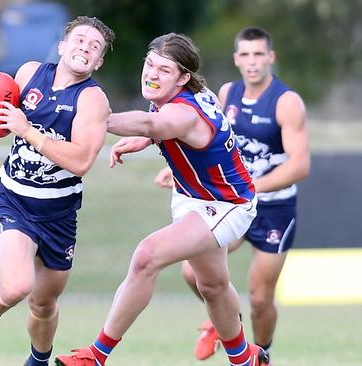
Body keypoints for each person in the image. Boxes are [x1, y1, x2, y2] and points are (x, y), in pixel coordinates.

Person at [55, 33, 269, 366]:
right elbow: (157, 124)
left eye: (164, 70)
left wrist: (88, 117)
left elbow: (153, 122)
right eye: (150, 64)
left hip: (227, 205)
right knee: (212, 285)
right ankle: (245, 359)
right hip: (192, 197)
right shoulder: (181, 96)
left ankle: (95, 357)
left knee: (146, 256)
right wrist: (149, 139)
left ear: (183, 78)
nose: (152, 74)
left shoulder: (182, 113)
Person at [0, 16, 115, 366]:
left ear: (99, 61)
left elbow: (82, 161)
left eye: (94, 47)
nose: (84, 48)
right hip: (13, 199)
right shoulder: (30, 73)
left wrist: (28, 131)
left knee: (43, 304)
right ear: (61, 46)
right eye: (79, 40)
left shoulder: (93, 100)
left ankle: (38, 361)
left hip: (58, 214)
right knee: (15, 286)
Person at [154, 26, 310, 363]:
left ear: (271, 58)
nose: (252, 62)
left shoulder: (286, 102)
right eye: (246, 55)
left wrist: (251, 187)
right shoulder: (227, 94)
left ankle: (262, 353)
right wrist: (180, 167)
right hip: (233, 204)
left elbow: (299, 165)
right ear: (236, 59)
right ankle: (228, 324)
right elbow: (212, 141)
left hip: (274, 208)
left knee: (259, 298)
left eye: (259, 55)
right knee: (192, 273)